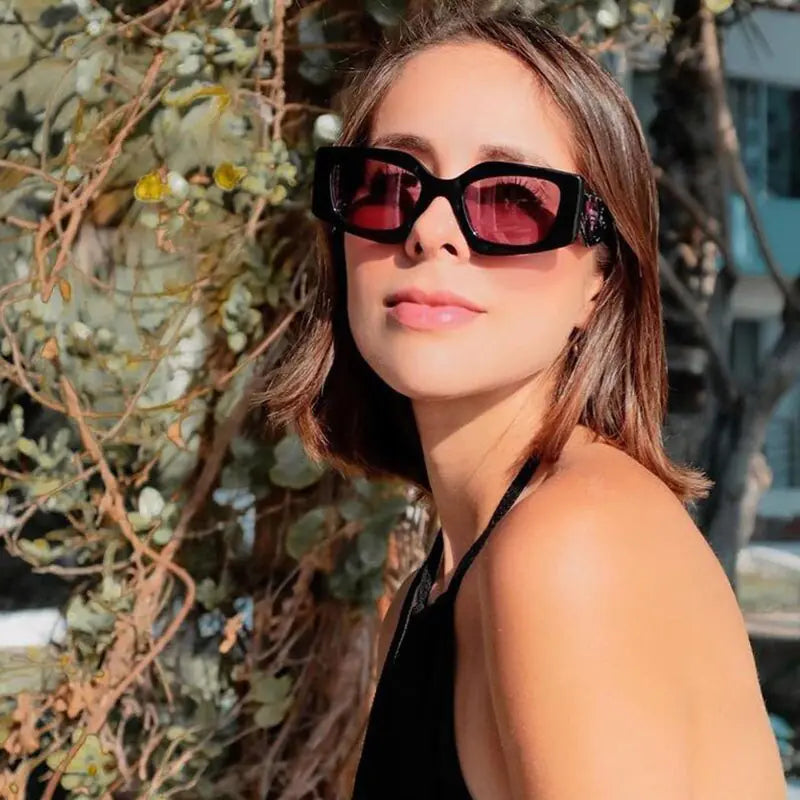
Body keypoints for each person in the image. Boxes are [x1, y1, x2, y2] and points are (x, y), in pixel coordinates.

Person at [260, 1, 787, 797]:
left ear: (601, 277)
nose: (430, 230)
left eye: (510, 200)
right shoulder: (453, 574)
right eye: (390, 185)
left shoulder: (570, 549)